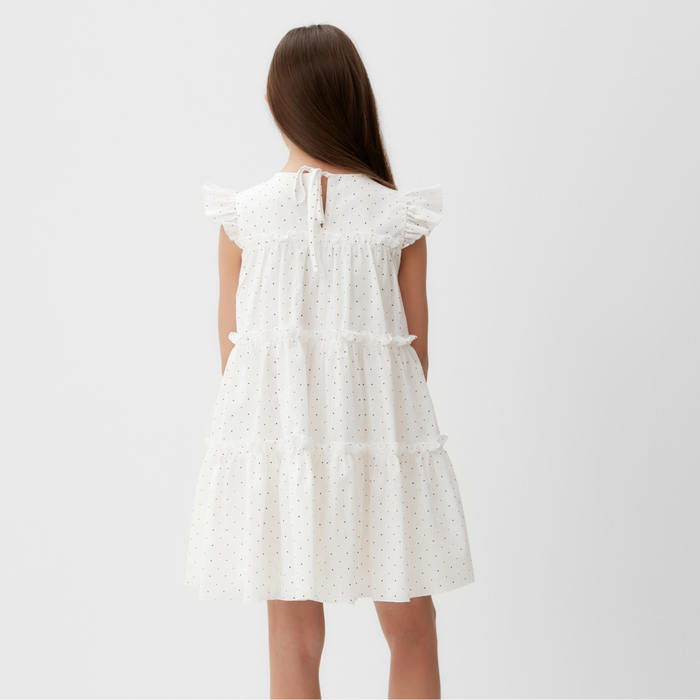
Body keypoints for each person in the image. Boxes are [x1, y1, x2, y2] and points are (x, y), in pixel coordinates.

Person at [185, 23, 475, 700]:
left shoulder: (243, 219)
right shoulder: (397, 218)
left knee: (292, 643)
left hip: (281, 452)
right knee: (413, 632)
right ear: (354, 99)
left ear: (271, 100)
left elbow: (236, 364)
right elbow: (414, 359)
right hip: (382, 451)